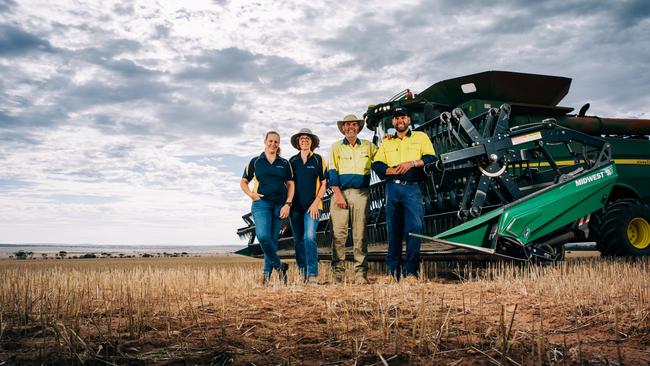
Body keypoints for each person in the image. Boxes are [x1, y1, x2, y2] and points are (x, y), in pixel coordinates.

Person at [371, 107, 436, 281]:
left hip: (412, 189)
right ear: (393, 122)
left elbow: (431, 158)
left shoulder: (420, 137)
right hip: (392, 189)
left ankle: (411, 273)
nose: (400, 120)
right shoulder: (387, 142)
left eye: (403, 117)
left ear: (409, 120)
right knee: (394, 231)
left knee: (414, 229)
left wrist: (413, 163)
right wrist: (388, 170)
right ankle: (392, 273)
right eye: (397, 118)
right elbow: (376, 163)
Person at [328, 114, 378, 284]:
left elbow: (381, 159)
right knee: (339, 235)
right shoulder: (336, 147)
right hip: (339, 194)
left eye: (354, 125)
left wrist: (387, 141)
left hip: (361, 194)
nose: (350, 127)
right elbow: (332, 172)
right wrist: (338, 194)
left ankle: (360, 274)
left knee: (360, 235)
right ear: (343, 128)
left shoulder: (368, 146)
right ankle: (337, 275)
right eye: (347, 125)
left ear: (358, 128)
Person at [240, 131, 295, 285]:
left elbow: (291, 184)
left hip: (280, 205)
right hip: (261, 204)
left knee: (272, 240)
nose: (273, 144)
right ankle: (280, 266)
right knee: (263, 236)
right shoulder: (255, 161)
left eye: (276, 142)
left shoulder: (284, 163)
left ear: (279, 144)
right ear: (265, 142)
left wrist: (288, 204)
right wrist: (251, 194)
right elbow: (243, 181)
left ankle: (266, 276)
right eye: (270, 141)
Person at [288, 128, 328, 284]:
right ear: (298, 142)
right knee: (298, 240)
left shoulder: (318, 159)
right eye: (301, 138)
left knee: (309, 237)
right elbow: (288, 184)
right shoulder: (292, 161)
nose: (304, 140)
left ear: (312, 142)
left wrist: (316, 202)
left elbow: (324, 183)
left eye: (307, 138)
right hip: (295, 208)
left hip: (313, 207)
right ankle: (302, 272)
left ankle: (312, 274)